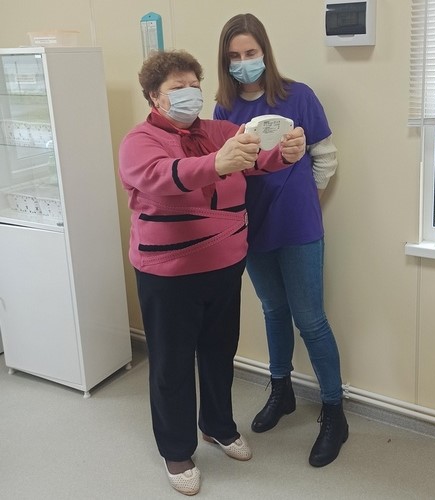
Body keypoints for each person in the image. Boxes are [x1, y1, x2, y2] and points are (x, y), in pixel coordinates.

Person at [118, 50, 306, 496]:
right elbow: (162, 176)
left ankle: (218, 426)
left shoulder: (220, 131)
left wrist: (286, 153)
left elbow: (258, 156)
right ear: (154, 97)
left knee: (220, 353)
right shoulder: (139, 141)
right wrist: (216, 163)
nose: (189, 93)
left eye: (193, 84)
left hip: (224, 264)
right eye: (177, 87)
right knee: (172, 363)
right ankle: (176, 449)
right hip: (168, 273)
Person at [213, 13, 348, 468]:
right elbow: (224, 168)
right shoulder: (223, 109)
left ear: (265, 52)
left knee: (310, 319)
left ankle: (334, 412)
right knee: (273, 310)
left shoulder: (298, 96)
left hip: (298, 226)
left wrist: (306, 197)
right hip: (250, 226)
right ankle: (282, 390)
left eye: (250, 53)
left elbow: (326, 156)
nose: (243, 62)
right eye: (234, 56)